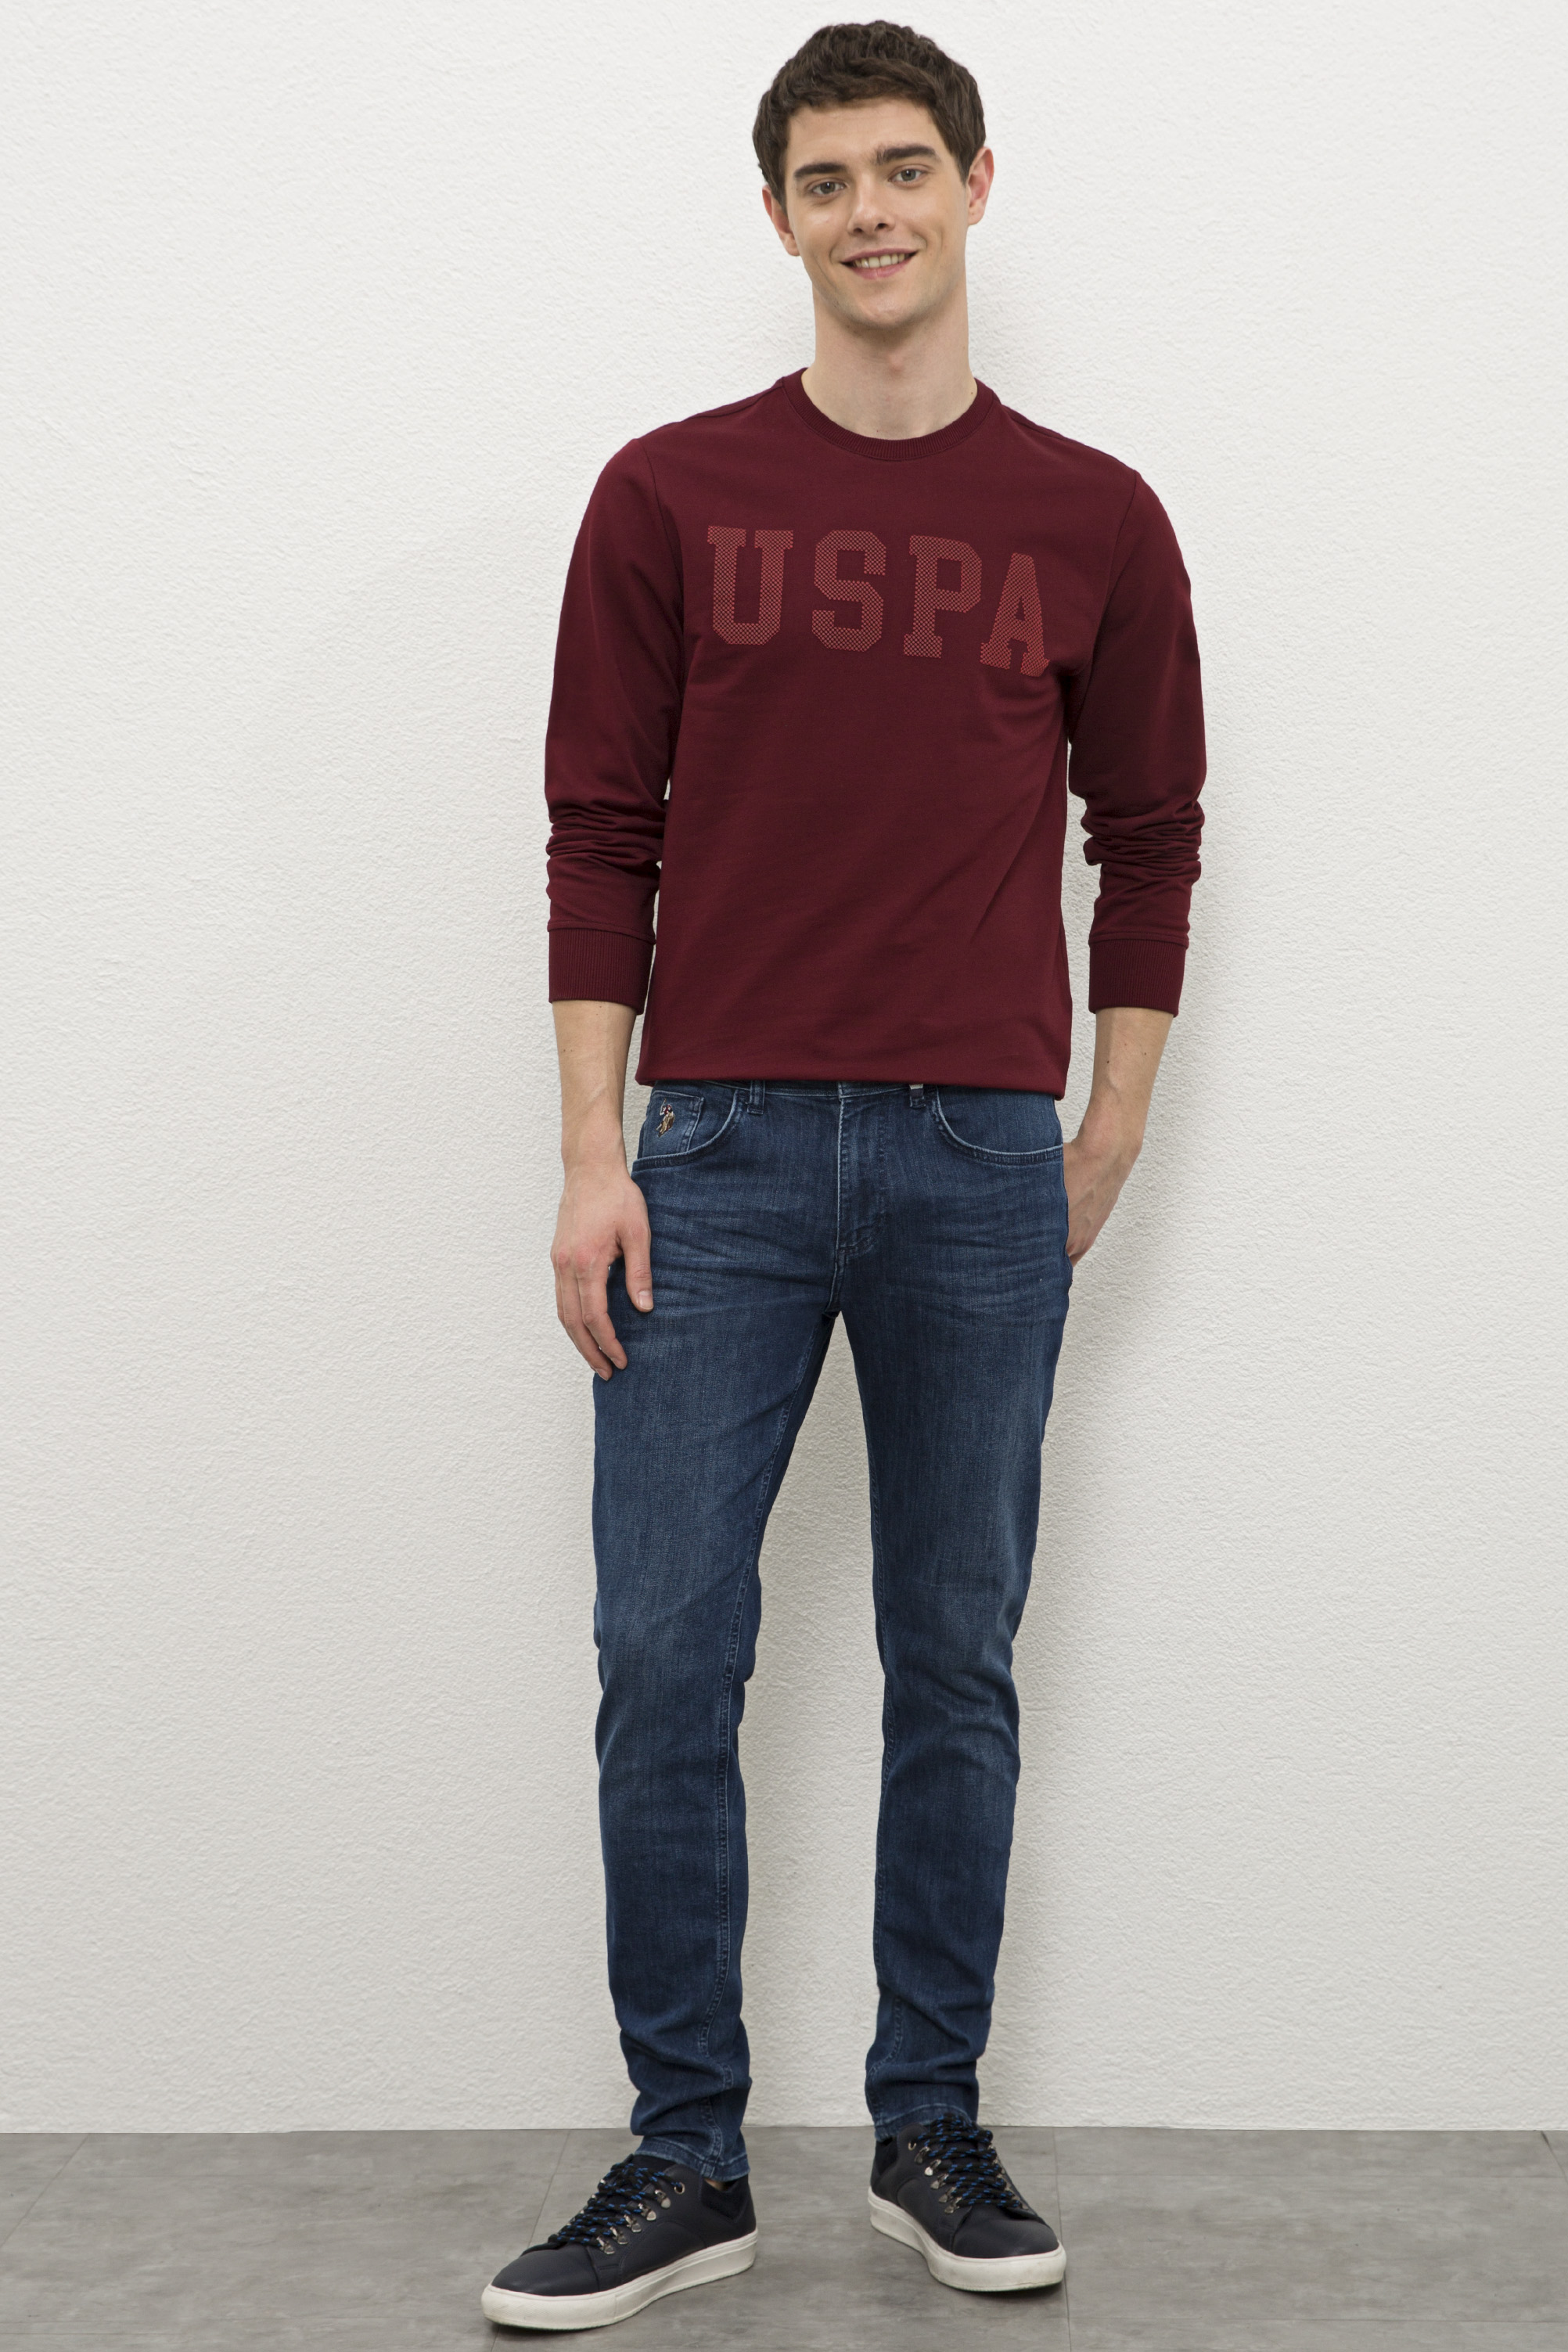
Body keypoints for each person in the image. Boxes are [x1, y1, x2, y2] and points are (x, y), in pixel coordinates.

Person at [482, 17, 1204, 2332]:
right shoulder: (668, 496)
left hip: (979, 1155)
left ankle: (930, 2124)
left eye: (903, 167)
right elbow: (599, 837)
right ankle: (683, 2157)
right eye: (824, 179)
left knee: (952, 1656)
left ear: (977, 185)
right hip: (712, 1150)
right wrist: (591, 1153)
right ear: (778, 215)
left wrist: (1105, 1125)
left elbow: (1154, 840)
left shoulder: (1094, 519)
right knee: (664, 1652)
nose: (868, 212)